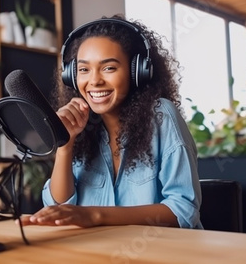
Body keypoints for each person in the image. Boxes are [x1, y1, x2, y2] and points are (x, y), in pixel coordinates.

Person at [20, 14, 202, 229]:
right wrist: (65, 145)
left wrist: (95, 216)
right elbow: (59, 206)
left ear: (137, 72)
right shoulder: (84, 126)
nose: (95, 81)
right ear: (71, 76)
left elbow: (183, 209)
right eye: (84, 69)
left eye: (109, 68)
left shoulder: (161, 115)